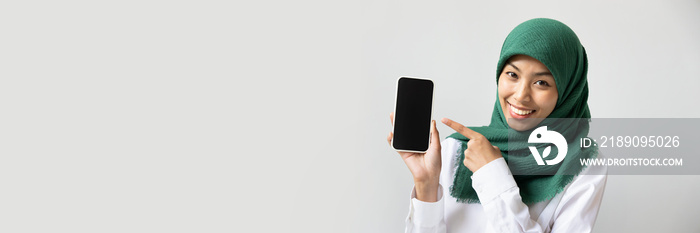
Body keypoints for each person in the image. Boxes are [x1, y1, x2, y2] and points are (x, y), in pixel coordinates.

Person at [387, 18, 607, 233]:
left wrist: (493, 175)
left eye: (541, 82)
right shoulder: (454, 150)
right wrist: (426, 185)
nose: (521, 96)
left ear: (569, 91)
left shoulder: (583, 164)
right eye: (512, 74)